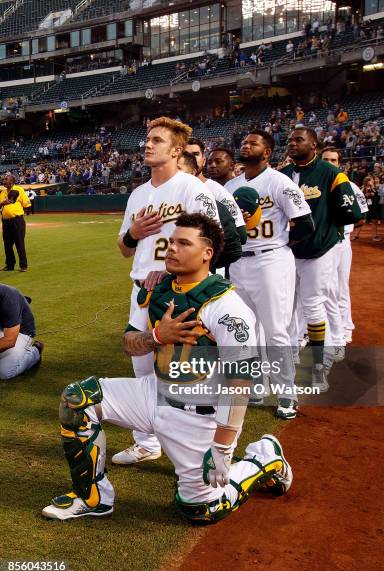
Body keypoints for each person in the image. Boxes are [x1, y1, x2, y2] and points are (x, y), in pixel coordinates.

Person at [42, 213, 292, 521]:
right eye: (171, 242)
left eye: (183, 243)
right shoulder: (156, 290)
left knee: (200, 509)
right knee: (77, 399)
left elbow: (239, 384)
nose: (171, 248)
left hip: (198, 416)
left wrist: (223, 449)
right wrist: (157, 336)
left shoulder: (228, 308)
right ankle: (93, 498)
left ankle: (262, 457)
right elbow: (129, 343)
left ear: (207, 253)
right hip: (154, 391)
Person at [114, 117, 219, 466]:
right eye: (147, 138)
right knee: (141, 367)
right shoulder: (138, 194)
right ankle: (146, 442)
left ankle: (190, 446)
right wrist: (133, 232)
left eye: (156, 140)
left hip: (177, 292)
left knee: (179, 372)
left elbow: (212, 242)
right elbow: (124, 248)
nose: (147, 144)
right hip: (141, 291)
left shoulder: (192, 189)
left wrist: (172, 269)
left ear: (176, 151)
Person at [226, 130, 314, 420]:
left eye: (253, 143)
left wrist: (281, 245)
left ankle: (287, 392)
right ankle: (256, 386)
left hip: (270, 261)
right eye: (244, 141)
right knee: (245, 330)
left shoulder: (279, 182)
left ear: (267, 152)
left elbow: (304, 222)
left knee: (276, 330)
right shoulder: (232, 185)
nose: (246, 145)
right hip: (240, 261)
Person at [282, 129, 362, 392]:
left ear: (313, 144)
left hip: (318, 252)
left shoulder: (331, 173)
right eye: (290, 140)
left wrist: (327, 232)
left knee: (314, 305)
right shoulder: (281, 175)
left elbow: (352, 212)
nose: (293, 144)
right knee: (287, 308)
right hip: (285, 253)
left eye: (299, 140)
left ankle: (319, 365)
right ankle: (290, 355)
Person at [320, 147, 368, 344]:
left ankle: (346, 326)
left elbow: (361, 217)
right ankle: (316, 329)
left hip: (340, 242)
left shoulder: (350, 186)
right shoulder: (314, 184)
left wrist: (341, 227)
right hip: (320, 243)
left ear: (339, 164)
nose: (329, 163)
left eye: (333, 160)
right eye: (326, 160)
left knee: (340, 287)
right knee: (319, 288)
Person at [176, 151, 245, 269]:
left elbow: (239, 238)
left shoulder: (216, 192)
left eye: (196, 153)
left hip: (205, 269)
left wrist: (206, 264)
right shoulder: (166, 195)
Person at [0, 284, 43, 380]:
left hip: (21, 332)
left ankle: (36, 351)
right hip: (2, 329)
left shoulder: (9, 296)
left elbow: (9, 341)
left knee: (5, 372)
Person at [0, 174, 31, 272]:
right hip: (5, 222)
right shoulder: (2, 192)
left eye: (6, 179)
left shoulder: (19, 189)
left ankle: (23, 266)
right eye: (3, 179)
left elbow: (27, 204)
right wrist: (2, 203)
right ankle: (10, 265)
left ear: (12, 181)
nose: (3, 180)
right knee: (7, 245)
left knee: (19, 243)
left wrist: (14, 203)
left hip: (17, 221)